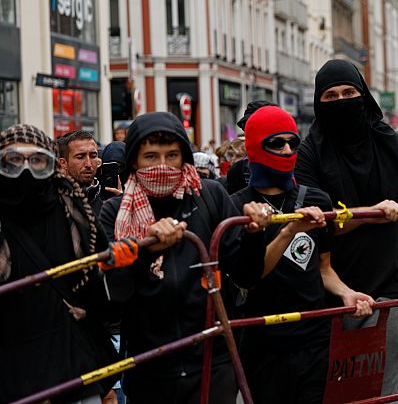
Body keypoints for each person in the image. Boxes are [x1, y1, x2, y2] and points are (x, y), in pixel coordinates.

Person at [294, 59, 398, 396]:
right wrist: (370, 213)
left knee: (385, 389)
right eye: (330, 96)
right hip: (333, 290)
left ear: (363, 94)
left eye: (349, 92)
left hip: (392, 284)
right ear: (318, 101)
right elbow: (317, 226)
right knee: (341, 391)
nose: (341, 101)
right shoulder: (310, 152)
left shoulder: (391, 142)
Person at [99, 111, 270, 404]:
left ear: (185, 158)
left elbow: (246, 275)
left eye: (172, 155)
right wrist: (144, 250)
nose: (163, 166)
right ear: (134, 162)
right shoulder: (114, 212)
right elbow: (113, 299)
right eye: (151, 157)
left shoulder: (210, 197)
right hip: (150, 366)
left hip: (212, 361)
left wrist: (254, 234)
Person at [229, 105, 374, 403]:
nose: (286, 150)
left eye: (293, 142)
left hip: (315, 337)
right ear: (255, 146)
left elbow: (323, 268)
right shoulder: (236, 207)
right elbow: (248, 278)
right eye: (276, 143)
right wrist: (288, 230)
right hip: (262, 341)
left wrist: (347, 293)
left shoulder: (315, 199)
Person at [0, 125, 118, 403]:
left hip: (73, 360)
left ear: (50, 164)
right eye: (14, 161)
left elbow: (97, 287)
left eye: (36, 160)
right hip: (11, 367)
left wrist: (105, 379)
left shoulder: (72, 209)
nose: (26, 170)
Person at [57, 130, 103, 215]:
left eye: (93, 156)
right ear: (63, 163)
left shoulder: (110, 200)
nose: (88, 164)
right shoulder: (52, 200)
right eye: (80, 157)